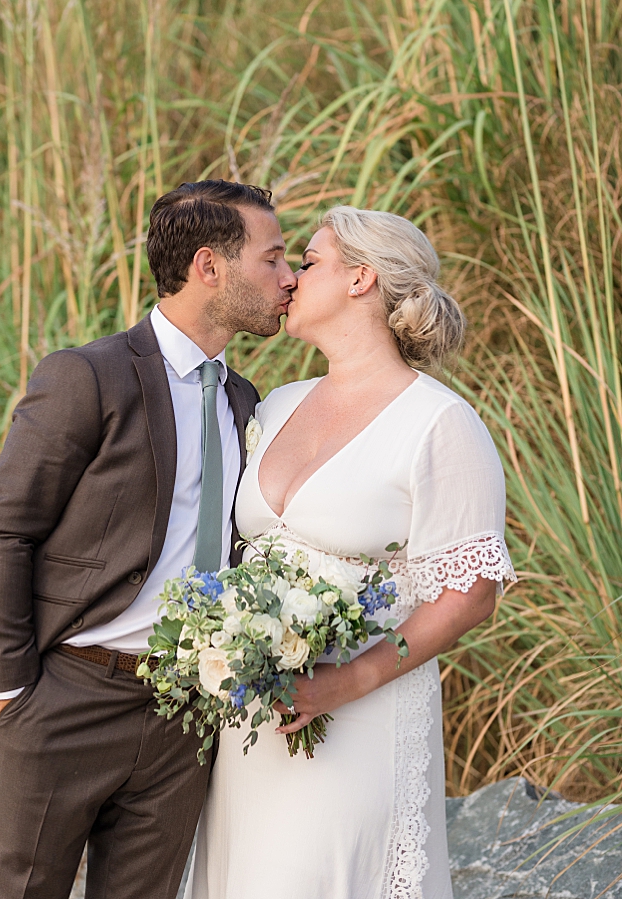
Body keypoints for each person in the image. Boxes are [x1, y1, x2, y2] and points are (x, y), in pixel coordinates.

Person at [0, 180, 298, 899]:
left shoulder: (243, 399)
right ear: (209, 266)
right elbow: (0, 531)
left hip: (184, 709)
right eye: (275, 258)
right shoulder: (88, 376)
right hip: (67, 694)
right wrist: (14, 689)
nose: (289, 279)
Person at [187, 206, 514, 899]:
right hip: (252, 728)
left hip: (359, 723)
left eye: (308, 261)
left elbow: (472, 592)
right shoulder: (276, 403)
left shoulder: (439, 422)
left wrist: (345, 680)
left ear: (362, 278)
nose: (289, 278)